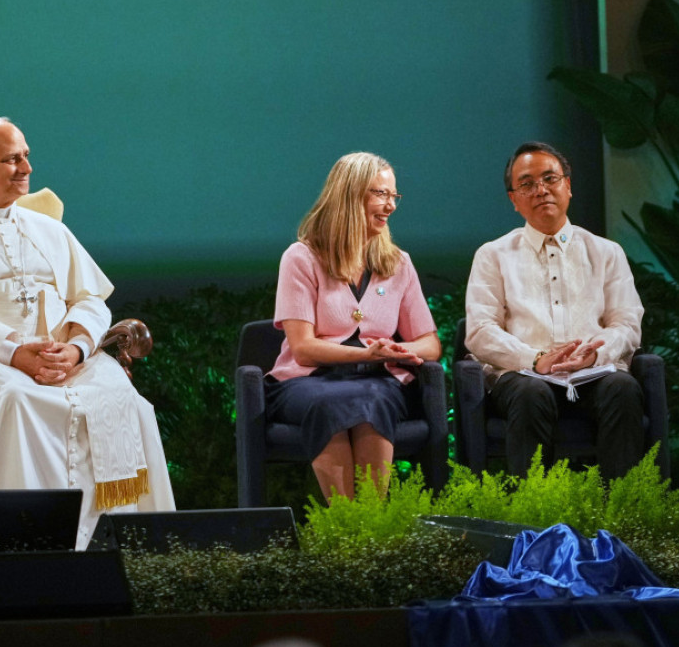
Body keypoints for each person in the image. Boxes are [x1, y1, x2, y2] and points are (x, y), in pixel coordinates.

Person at [0, 115, 175, 548]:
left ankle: (132, 546)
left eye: (25, 157)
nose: (25, 168)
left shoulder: (51, 231)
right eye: (10, 160)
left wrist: (79, 349)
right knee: (19, 401)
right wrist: (12, 352)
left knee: (130, 403)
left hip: (64, 361)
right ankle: (29, 544)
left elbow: (90, 299)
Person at [266, 152, 441, 500]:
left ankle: (371, 528)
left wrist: (396, 351)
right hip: (308, 380)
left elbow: (430, 343)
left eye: (394, 196)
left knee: (372, 398)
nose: (390, 205)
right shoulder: (301, 258)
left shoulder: (398, 263)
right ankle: (346, 527)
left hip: (377, 380)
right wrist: (366, 354)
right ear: (348, 195)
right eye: (380, 193)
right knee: (331, 403)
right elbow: (302, 348)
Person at [465, 142, 644, 479]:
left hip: (593, 373)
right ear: (514, 200)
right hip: (521, 376)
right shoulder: (493, 255)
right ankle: (538, 520)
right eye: (527, 184)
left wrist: (593, 355)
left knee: (623, 388)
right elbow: (479, 331)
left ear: (568, 186)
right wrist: (535, 359)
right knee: (530, 392)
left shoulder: (607, 252)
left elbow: (627, 323)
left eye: (550, 178)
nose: (541, 190)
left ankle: (624, 514)